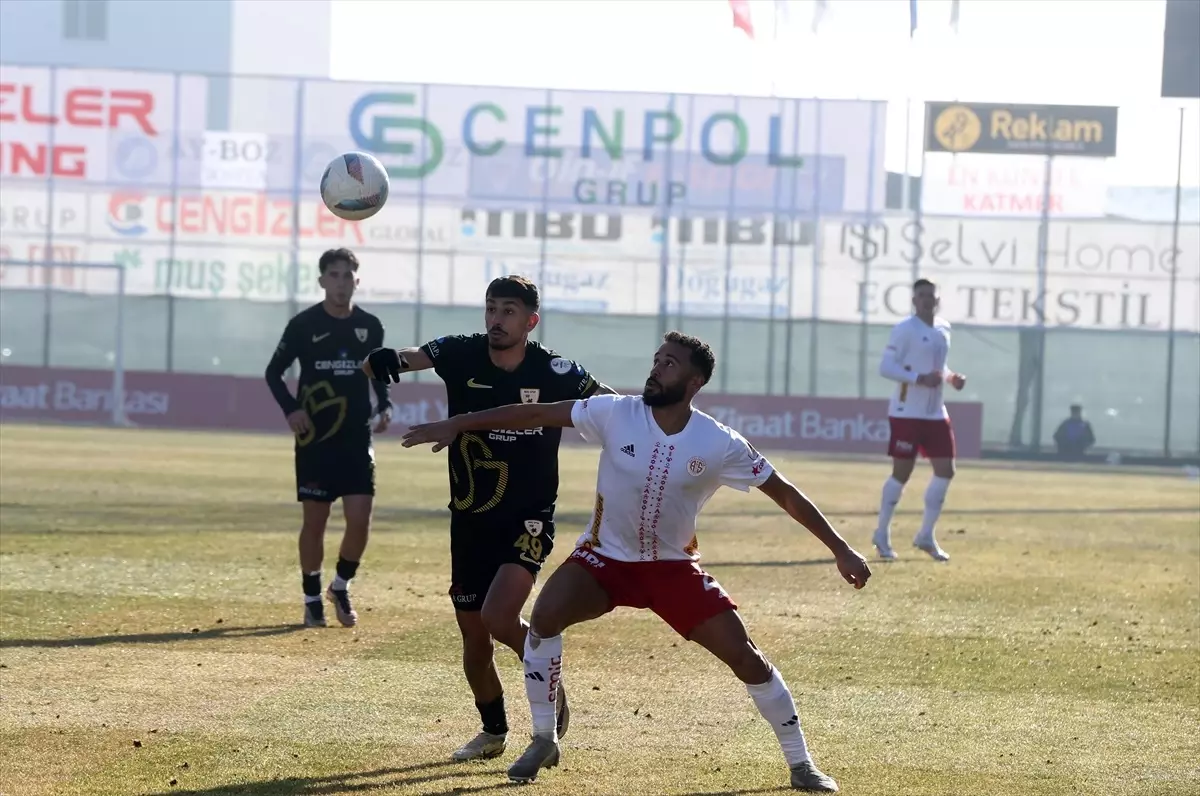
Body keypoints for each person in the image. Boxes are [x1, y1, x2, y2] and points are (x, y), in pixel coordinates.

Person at [401, 331, 872, 792]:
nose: (655, 368)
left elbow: (785, 493)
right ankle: (544, 739)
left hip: (672, 569)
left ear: (694, 383)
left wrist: (841, 548)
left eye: (669, 363)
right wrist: (458, 422)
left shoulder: (718, 441)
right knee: (544, 618)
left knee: (745, 656)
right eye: (656, 358)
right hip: (602, 560)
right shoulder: (615, 412)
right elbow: (537, 412)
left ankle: (802, 764)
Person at [362, 275, 615, 763]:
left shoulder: (556, 369)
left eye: (509, 312)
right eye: (491, 309)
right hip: (470, 518)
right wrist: (383, 359)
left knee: (500, 617)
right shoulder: (461, 352)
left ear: (530, 321)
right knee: (474, 639)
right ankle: (493, 732)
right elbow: (411, 357)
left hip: (529, 519)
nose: (497, 320)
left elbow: (610, 406)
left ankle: (547, 680)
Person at [264, 248, 391, 629]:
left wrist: (384, 404)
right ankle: (311, 598)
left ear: (357, 280)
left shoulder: (371, 326)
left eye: (347, 275)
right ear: (322, 281)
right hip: (315, 439)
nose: (340, 282)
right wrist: (292, 409)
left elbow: (378, 371)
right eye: (333, 275)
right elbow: (273, 373)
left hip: (356, 437)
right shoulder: (303, 325)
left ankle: (341, 585)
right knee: (315, 521)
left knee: (359, 520)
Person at [873, 278, 966, 562]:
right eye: (922, 295)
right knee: (902, 473)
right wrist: (917, 379)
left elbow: (939, 366)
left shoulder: (943, 328)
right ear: (914, 300)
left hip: (935, 412)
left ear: (938, 299)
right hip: (906, 412)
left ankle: (925, 535)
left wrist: (951, 378)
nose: (927, 299)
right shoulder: (904, 329)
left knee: (945, 470)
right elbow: (886, 367)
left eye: (931, 295)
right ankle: (881, 533)